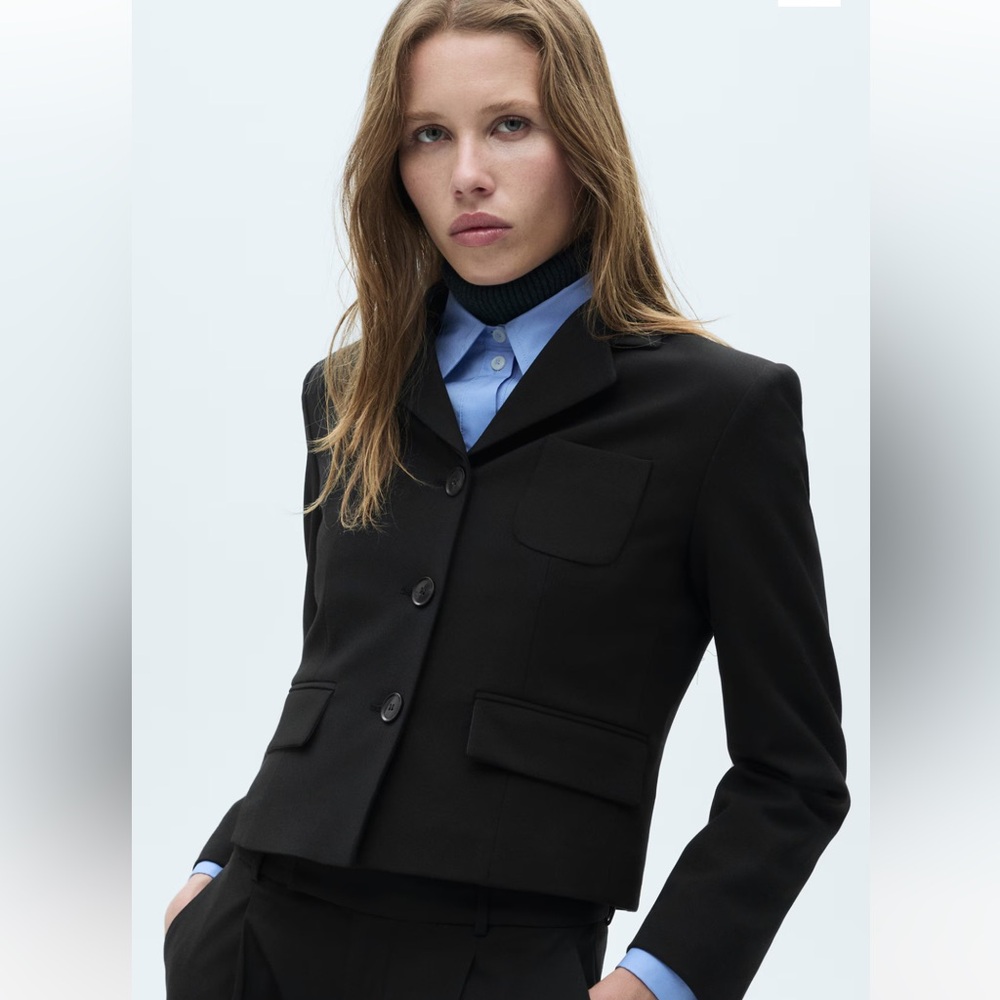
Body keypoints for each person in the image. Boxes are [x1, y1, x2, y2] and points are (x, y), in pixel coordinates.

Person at [163, 1, 850, 998]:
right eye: (427, 135)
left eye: (510, 125)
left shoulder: (720, 414)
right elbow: (342, 666)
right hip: (253, 943)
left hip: (501, 952)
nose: (467, 175)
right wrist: (210, 872)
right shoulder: (345, 393)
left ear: (584, 141)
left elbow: (794, 773)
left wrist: (658, 982)